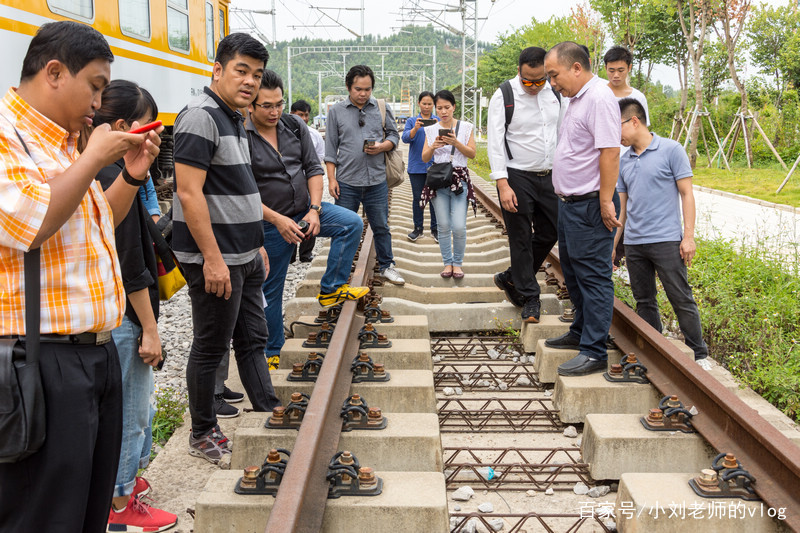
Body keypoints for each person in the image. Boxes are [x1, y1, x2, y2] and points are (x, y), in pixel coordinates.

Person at [0, 21, 162, 532]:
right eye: (94, 85)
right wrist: (94, 157)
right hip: (40, 358)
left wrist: (132, 176)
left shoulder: (66, 145)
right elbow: (33, 224)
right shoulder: (9, 134)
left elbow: (96, 224)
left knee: (84, 513)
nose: (100, 99)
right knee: (43, 514)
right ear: (53, 72)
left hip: (90, 355)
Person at [172, 33, 280, 465]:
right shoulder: (200, 117)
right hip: (215, 259)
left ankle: (268, 407)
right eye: (241, 71)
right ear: (217, 70)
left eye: (256, 74)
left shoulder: (232, 116)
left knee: (254, 338)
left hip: (244, 254)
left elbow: (239, 187)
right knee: (211, 346)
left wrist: (255, 244)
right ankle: (202, 433)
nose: (250, 82)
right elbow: (188, 193)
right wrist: (213, 259)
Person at [88, 80, 178, 531]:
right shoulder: (113, 180)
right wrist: (150, 328)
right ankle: (121, 505)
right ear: (124, 127)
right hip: (127, 317)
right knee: (131, 414)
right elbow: (130, 264)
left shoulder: (101, 175)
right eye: (151, 126)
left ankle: (122, 487)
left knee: (129, 410)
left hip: (119, 316)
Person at [248, 71, 368, 365]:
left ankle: (331, 289)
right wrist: (277, 220)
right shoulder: (241, 135)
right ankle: (271, 351)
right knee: (271, 289)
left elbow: (313, 168)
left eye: (279, 103)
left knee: (350, 223)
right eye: (267, 105)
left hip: (304, 211)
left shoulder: (293, 126)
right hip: (270, 223)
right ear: (250, 105)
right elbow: (242, 192)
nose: (275, 111)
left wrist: (314, 209)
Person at [614, 98, 711, 370]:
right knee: (644, 300)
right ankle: (652, 351)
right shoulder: (624, 160)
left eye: (617, 126)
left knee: (680, 297)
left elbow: (687, 194)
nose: (615, 134)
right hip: (634, 243)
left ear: (634, 121)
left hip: (666, 240)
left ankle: (700, 355)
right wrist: (615, 244)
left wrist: (688, 236)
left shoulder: (671, 149)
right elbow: (621, 209)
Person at [543, 42, 622, 377]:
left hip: (591, 203)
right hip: (571, 203)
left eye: (554, 75)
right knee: (573, 271)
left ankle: (594, 350)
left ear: (576, 67)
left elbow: (609, 152)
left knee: (593, 276)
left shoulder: (600, 98)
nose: (551, 83)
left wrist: (605, 200)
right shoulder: (577, 99)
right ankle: (580, 331)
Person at [488, 46, 564, 323]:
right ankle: (530, 298)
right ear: (518, 71)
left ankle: (512, 277)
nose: (534, 86)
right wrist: (502, 184)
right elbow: (496, 142)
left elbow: (562, 132)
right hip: (517, 175)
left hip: (551, 175)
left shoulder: (555, 93)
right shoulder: (504, 95)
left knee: (552, 230)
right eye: (528, 81)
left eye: (540, 80)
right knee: (519, 237)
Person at [325, 64, 405, 285]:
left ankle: (388, 266)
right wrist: (331, 179)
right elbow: (330, 150)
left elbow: (394, 136)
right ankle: (339, 275)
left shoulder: (381, 107)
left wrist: (382, 146)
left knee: (381, 226)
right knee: (343, 228)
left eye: (367, 89)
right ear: (348, 87)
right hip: (346, 182)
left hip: (376, 180)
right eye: (358, 89)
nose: (363, 94)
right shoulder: (336, 112)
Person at [420, 90, 477, 279]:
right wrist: (433, 146)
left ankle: (458, 263)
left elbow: (471, 154)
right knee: (443, 225)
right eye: (440, 108)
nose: (444, 111)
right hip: (438, 181)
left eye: (447, 107)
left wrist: (456, 143)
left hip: (459, 181)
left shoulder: (466, 127)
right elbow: (424, 158)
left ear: (454, 107)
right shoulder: (430, 130)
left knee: (459, 225)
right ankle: (448, 263)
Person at [290, 99, 324, 263]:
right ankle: (289, 254)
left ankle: (305, 253)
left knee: (311, 215)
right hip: (290, 185)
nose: (303, 118)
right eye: (300, 114)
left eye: (306, 115)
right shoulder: (282, 133)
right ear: (292, 114)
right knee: (289, 217)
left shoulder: (315, 135)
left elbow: (318, 160)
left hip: (308, 183)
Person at [402, 91, 438, 242]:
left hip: (435, 166)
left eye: (430, 104)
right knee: (418, 198)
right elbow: (404, 138)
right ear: (419, 103)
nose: (427, 106)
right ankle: (418, 228)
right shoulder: (412, 120)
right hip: (416, 166)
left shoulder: (437, 120)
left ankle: (435, 229)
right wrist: (416, 128)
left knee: (435, 198)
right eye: (424, 103)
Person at [604, 46, 649, 125]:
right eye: (611, 71)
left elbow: (642, 129)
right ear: (606, 68)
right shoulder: (598, 94)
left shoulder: (638, 97)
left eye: (621, 70)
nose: (616, 75)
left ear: (629, 68)